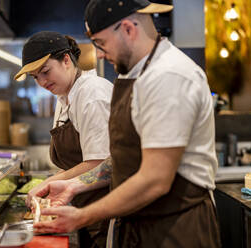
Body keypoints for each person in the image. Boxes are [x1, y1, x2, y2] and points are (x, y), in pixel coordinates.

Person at [32, 1, 222, 247]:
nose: (98, 54)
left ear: (128, 29)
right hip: (140, 224)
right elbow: (127, 157)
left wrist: (82, 216)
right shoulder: (136, 75)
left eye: (100, 44)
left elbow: (155, 179)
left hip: (176, 229)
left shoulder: (168, 76)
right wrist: (73, 186)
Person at [14, 31, 113, 248]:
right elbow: (75, 164)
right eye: (35, 77)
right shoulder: (64, 97)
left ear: (66, 59)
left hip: (103, 211)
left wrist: (49, 182)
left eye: (45, 72)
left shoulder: (92, 94)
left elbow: (100, 162)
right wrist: (52, 183)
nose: (41, 82)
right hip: (80, 205)